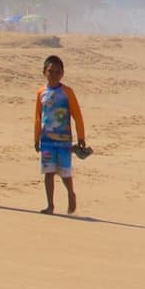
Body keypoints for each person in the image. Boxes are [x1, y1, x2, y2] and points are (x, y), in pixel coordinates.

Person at [33, 56, 87, 214]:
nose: (54, 74)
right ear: (44, 72)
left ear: (62, 74)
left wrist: (81, 136)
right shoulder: (41, 93)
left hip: (64, 140)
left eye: (58, 72)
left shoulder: (67, 92)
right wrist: (36, 138)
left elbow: (77, 115)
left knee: (64, 172)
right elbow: (37, 116)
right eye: (50, 71)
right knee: (48, 172)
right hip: (47, 140)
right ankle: (50, 205)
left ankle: (71, 194)